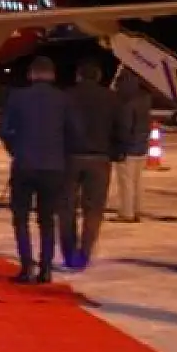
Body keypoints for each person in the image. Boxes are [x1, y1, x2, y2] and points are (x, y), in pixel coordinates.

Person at [0, 56, 77, 284]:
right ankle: (45, 268)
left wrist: (15, 149)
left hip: (24, 165)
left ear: (31, 74)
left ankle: (26, 266)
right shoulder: (63, 99)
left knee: (21, 218)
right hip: (53, 167)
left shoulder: (17, 97)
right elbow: (73, 132)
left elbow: (4, 129)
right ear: (52, 75)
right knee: (47, 219)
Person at [59, 60, 126, 270]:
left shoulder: (65, 96)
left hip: (69, 157)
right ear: (98, 78)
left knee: (66, 207)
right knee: (94, 209)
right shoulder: (112, 98)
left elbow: (57, 126)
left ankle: (69, 252)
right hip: (100, 158)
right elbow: (121, 128)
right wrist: (116, 151)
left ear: (78, 76)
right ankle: (85, 252)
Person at [112, 72, 152, 223]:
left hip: (129, 147)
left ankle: (127, 213)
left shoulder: (126, 103)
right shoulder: (144, 99)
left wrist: (119, 146)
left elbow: (125, 127)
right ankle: (137, 208)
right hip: (142, 145)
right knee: (137, 181)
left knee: (126, 182)